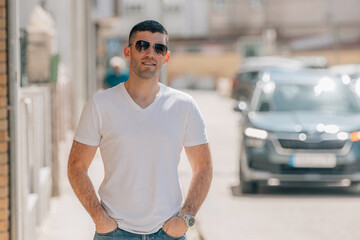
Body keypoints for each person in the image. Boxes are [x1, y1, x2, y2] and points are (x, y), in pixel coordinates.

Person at [68, 20, 213, 240]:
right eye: (142, 45)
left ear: (166, 57)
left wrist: (186, 218)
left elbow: (203, 167)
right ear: (128, 51)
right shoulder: (100, 104)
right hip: (114, 233)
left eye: (159, 48)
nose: (150, 53)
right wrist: (99, 218)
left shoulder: (184, 106)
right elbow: (76, 166)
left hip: (169, 233)